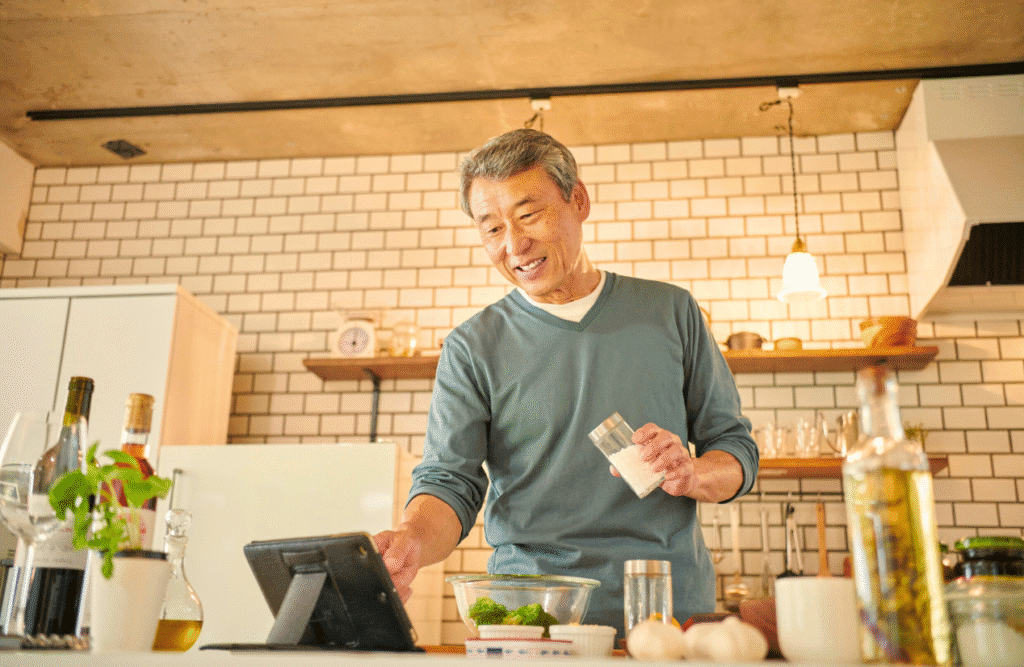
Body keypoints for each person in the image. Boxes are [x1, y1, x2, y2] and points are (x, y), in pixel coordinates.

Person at [372, 128, 759, 637]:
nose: (514, 245)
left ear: (578, 200)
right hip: (531, 616)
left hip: (667, 612)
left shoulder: (671, 311)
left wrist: (696, 473)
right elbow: (451, 481)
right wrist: (411, 543)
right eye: (491, 229)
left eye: (529, 215)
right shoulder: (471, 346)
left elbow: (734, 448)